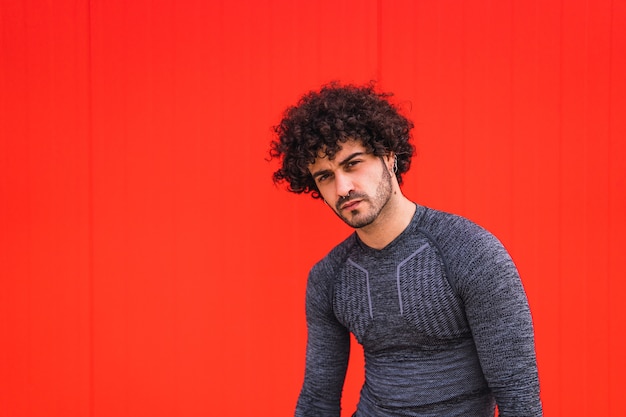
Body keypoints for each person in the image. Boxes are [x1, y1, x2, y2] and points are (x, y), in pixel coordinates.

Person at [269, 82, 542, 417]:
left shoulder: (470, 253)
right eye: (325, 176)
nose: (343, 187)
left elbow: (519, 396)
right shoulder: (329, 277)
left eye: (352, 163)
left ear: (388, 156)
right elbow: (317, 399)